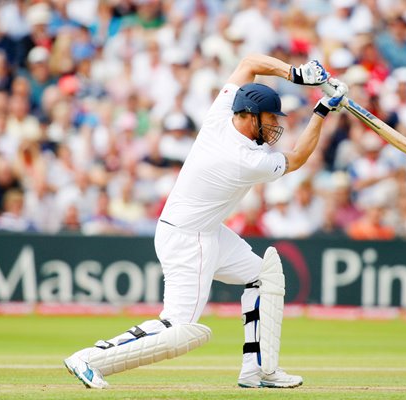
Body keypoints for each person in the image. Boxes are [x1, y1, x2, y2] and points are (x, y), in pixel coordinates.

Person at [64, 54, 347, 389]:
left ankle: (258, 370)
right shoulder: (245, 159)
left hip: (203, 229)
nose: (275, 125)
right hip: (189, 238)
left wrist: (296, 74)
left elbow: (249, 63)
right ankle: (89, 358)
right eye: (270, 117)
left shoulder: (220, 116)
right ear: (249, 116)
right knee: (178, 329)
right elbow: (298, 158)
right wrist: (322, 111)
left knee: (264, 277)